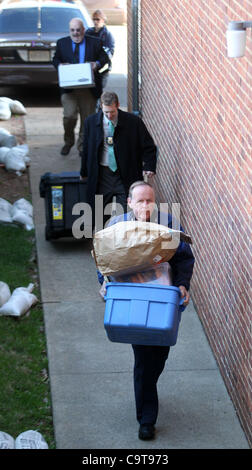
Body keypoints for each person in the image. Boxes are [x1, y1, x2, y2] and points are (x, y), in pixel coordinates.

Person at [101, 181, 195, 440]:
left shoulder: (167, 224)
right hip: (134, 300)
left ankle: (147, 392)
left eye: (149, 200)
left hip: (163, 300)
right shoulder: (116, 227)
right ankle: (146, 420)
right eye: (140, 200)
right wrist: (105, 283)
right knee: (143, 360)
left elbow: (185, 257)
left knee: (159, 356)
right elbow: (103, 260)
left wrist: (183, 285)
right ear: (129, 202)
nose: (145, 205)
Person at [80, 91, 157, 224]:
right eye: (106, 113)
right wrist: (84, 172)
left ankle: (126, 241)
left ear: (118, 106)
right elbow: (86, 150)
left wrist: (149, 166)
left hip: (126, 174)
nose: (109, 116)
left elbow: (149, 146)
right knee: (99, 214)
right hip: (102, 174)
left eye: (112, 112)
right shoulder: (90, 123)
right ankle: (102, 240)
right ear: (101, 107)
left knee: (128, 214)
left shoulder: (133, 122)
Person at [53, 17, 109, 156]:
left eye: (78, 30)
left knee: (87, 119)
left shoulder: (95, 42)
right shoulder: (62, 43)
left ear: (83, 29)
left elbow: (105, 58)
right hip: (69, 88)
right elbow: (55, 59)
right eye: (73, 30)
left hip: (88, 88)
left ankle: (82, 147)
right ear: (69, 30)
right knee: (69, 116)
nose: (76, 33)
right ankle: (68, 141)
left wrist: (96, 63)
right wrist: (60, 65)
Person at [85, 10, 115, 92]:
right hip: (88, 67)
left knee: (98, 92)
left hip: (102, 69)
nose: (95, 21)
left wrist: (98, 63)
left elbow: (109, 53)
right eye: (94, 19)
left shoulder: (107, 35)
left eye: (98, 19)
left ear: (103, 20)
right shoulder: (88, 32)